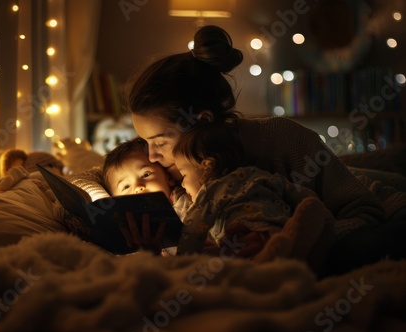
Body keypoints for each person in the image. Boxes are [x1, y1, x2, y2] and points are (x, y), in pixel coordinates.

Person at [123, 25, 406, 275]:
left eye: (160, 142)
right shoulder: (173, 172)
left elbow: (364, 211)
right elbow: (99, 175)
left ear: (202, 123)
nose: (151, 156)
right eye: (146, 143)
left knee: (353, 253)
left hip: (379, 206)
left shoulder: (284, 139)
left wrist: (293, 241)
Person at [172, 117, 335, 272]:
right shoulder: (259, 175)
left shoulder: (210, 191)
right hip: (279, 228)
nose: (183, 184)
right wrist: (322, 214)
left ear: (207, 166)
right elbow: (301, 194)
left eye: (183, 175)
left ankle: (268, 262)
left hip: (243, 238)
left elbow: (193, 230)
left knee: (212, 262)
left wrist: (181, 261)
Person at [102, 137, 191, 254]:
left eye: (145, 174)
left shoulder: (187, 204)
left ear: (168, 177)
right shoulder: (126, 231)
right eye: (126, 187)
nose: (138, 187)